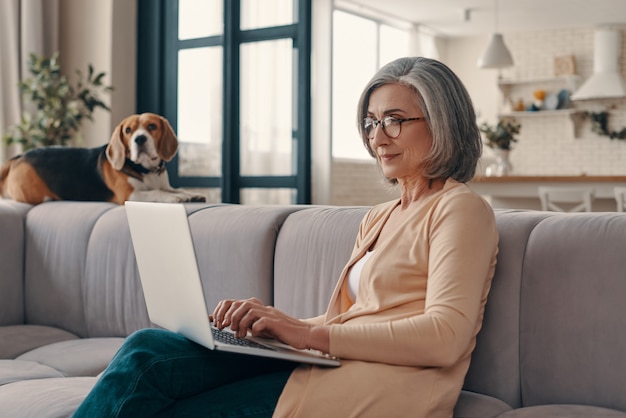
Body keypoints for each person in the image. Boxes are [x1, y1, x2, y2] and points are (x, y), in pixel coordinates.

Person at [73, 56, 498, 418]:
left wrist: (305, 334)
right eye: (371, 122)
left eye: (394, 120)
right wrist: (272, 327)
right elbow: (347, 322)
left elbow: (445, 337)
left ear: (442, 122)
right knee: (148, 349)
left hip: (379, 390)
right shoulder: (381, 217)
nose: (377, 136)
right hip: (330, 366)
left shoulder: (460, 209)